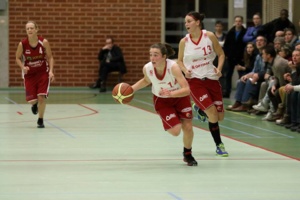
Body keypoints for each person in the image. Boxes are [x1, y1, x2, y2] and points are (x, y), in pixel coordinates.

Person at [131, 43, 198, 166]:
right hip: (162, 100)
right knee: (176, 131)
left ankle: (188, 154)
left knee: (188, 126)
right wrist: (131, 89)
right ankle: (173, 117)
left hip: (180, 97)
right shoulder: (147, 68)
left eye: (156, 55)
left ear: (164, 56)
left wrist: (171, 93)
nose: (152, 58)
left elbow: (186, 89)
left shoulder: (173, 67)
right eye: (151, 55)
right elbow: (146, 80)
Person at [177, 11, 228, 157]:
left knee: (220, 116)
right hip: (195, 81)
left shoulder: (209, 36)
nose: (186, 24)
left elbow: (221, 54)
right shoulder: (184, 42)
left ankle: (199, 108)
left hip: (211, 79)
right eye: (185, 22)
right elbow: (179, 61)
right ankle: (219, 145)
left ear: (197, 22)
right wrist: (185, 70)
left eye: (189, 21)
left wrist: (219, 68)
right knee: (212, 113)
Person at [15, 21, 55, 128]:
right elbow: (17, 58)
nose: (30, 30)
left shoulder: (44, 42)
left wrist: (51, 71)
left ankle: (40, 120)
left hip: (42, 73)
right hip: (29, 74)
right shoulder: (22, 44)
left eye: (32, 28)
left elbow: (50, 57)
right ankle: (34, 105)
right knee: (32, 100)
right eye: (27, 29)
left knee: (41, 97)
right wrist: (23, 67)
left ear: (36, 29)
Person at [227, 36, 267, 112]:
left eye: (261, 40)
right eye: (257, 40)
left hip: (262, 78)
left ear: (265, 43)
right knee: (241, 80)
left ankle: (245, 104)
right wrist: (246, 75)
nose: (258, 42)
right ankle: (238, 102)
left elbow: (265, 70)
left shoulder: (266, 54)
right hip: (256, 76)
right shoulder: (259, 56)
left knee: (249, 81)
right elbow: (254, 70)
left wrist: (253, 75)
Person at [223, 15, 247, 97]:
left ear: (242, 22)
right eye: (236, 21)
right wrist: (226, 55)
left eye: (239, 21)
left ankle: (240, 92)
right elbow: (226, 45)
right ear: (234, 22)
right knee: (228, 75)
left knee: (241, 75)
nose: (238, 23)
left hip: (241, 58)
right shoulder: (230, 32)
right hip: (230, 57)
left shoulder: (245, 32)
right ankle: (227, 91)